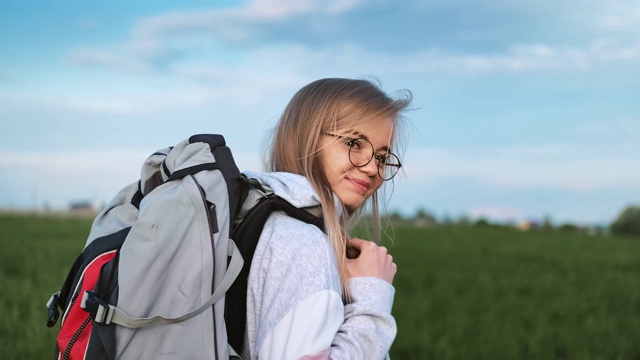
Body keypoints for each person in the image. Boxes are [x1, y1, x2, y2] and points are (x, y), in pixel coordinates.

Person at [240, 77, 412, 359]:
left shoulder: (267, 223)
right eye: (355, 143)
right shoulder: (303, 244)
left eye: (382, 157)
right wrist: (372, 295)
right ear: (305, 138)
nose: (372, 168)